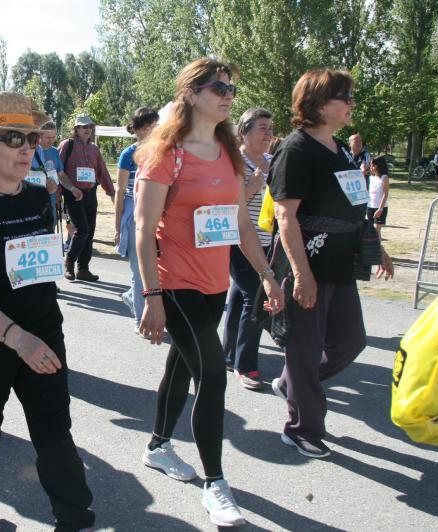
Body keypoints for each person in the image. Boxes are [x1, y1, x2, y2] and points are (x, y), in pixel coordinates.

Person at [135, 58, 283, 528]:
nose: (227, 95)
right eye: (218, 87)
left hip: (215, 283)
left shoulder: (228, 152)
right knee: (212, 375)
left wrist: (265, 274)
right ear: (191, 92)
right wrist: (152, 297)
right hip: (174, 284)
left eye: (231, 89)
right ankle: (215, 484)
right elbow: (142, 229)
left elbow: (242, 224)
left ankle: (157, 446)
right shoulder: (166, 151)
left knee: (181, 367)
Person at [0, 91, 95, 532]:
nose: (27, 147)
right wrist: (17, 338)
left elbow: (38, 271)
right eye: (13, 137)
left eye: (30, 136)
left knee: (54, 431)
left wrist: (37, 335)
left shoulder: (35, 198)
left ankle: (75, 518)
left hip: (43, 334)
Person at [269, 68, 393, 459]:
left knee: (351, 341)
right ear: (320, 103)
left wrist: (380, 247)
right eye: (345, 96)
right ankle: (302, 428)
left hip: (341, 265)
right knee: (304, 351)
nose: (352, 102)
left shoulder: (339, 148)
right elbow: (285, 217)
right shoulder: (296, 149)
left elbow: (355, 206)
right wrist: (302, 276)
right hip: (309, 264)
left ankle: (294, 382)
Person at [222, 108, 275, 390]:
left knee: (241, 295)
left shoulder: (272, 160)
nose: (269, 133)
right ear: (244, 132)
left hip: (265, 242)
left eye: (270, 128)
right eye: (262, 128)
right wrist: (254, 184)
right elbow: (228, 202)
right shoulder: (233, 161)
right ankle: (246, 365)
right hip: (237, 240)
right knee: (254, 297)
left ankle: (228, 354)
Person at [115, 107, 158, 335]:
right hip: (133, 212)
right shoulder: (127, 154)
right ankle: (140, 322)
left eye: (155, 125)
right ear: (138, 129)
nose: (154, 130)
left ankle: (131, 296)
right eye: (149, 125)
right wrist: (117, 227)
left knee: (157, 270)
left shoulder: (163, 152)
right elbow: (121, 191)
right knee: (138, 269)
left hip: (158, 212)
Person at [58, 116, 115, 281]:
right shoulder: (67, 145)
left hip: (90, 193)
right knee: (82, 230)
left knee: (89, 232)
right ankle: (69, 262)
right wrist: (61, 193)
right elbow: (59, 170)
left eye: (90, 126)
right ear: (76, 129)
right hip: (73, 193)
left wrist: (111, 192)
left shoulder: (94, 149)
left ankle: (83, 269)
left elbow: (102, 172)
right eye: (83, 126)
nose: (87, 129)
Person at [38, 121, 81, 230]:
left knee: (51, 228)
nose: (51, 140)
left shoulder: (54, 151)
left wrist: (72, 188)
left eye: (53, 137)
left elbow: (61, 175)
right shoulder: (31, 151)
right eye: (48, 137)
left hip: (52, 200)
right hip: (36, 200)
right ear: (39, 136)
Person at [367, 156, 390, 238]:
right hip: (370, 206)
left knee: (376, 231)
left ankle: (378, 249)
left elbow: (385, 194)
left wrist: (380, 209)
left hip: (380, 208)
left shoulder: (384, 178)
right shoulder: (371, 177)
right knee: (370, 230)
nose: (371, 167)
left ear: (378, 166)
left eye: (373, 165)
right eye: (370, 165)